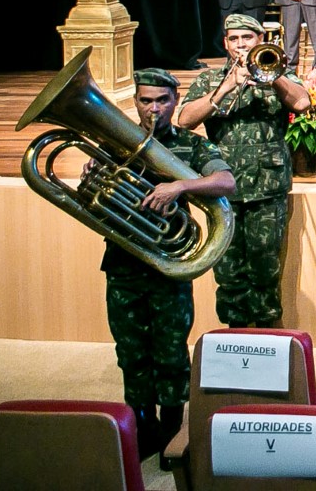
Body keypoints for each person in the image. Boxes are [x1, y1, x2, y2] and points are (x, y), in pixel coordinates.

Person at [102, 69, 236, 458]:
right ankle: (142, 428)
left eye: (162, 100)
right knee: (130, 352)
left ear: (175, 102)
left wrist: (180, 185)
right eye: (146, 101)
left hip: (167, 263)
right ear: (135, 102)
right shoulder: (115, 143)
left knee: (171, 352)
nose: (154, 108)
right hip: (124, 262)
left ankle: (174, 432)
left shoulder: (190, 145)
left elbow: (226, 182)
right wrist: (95, 174)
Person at [176, 14, 312, 328]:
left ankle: (267, 337)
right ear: (225, 43)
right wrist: (225, 88)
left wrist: (272, 74)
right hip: (223, 190)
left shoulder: (280, 73)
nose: (240, 45)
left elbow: (302, 103)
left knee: (265, 269)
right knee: (228, 272)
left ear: (260, 40)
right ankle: (235, 337)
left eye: (247, 38)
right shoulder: (210, 79)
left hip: (266, 188)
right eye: (234, 39)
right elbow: (184, 121)